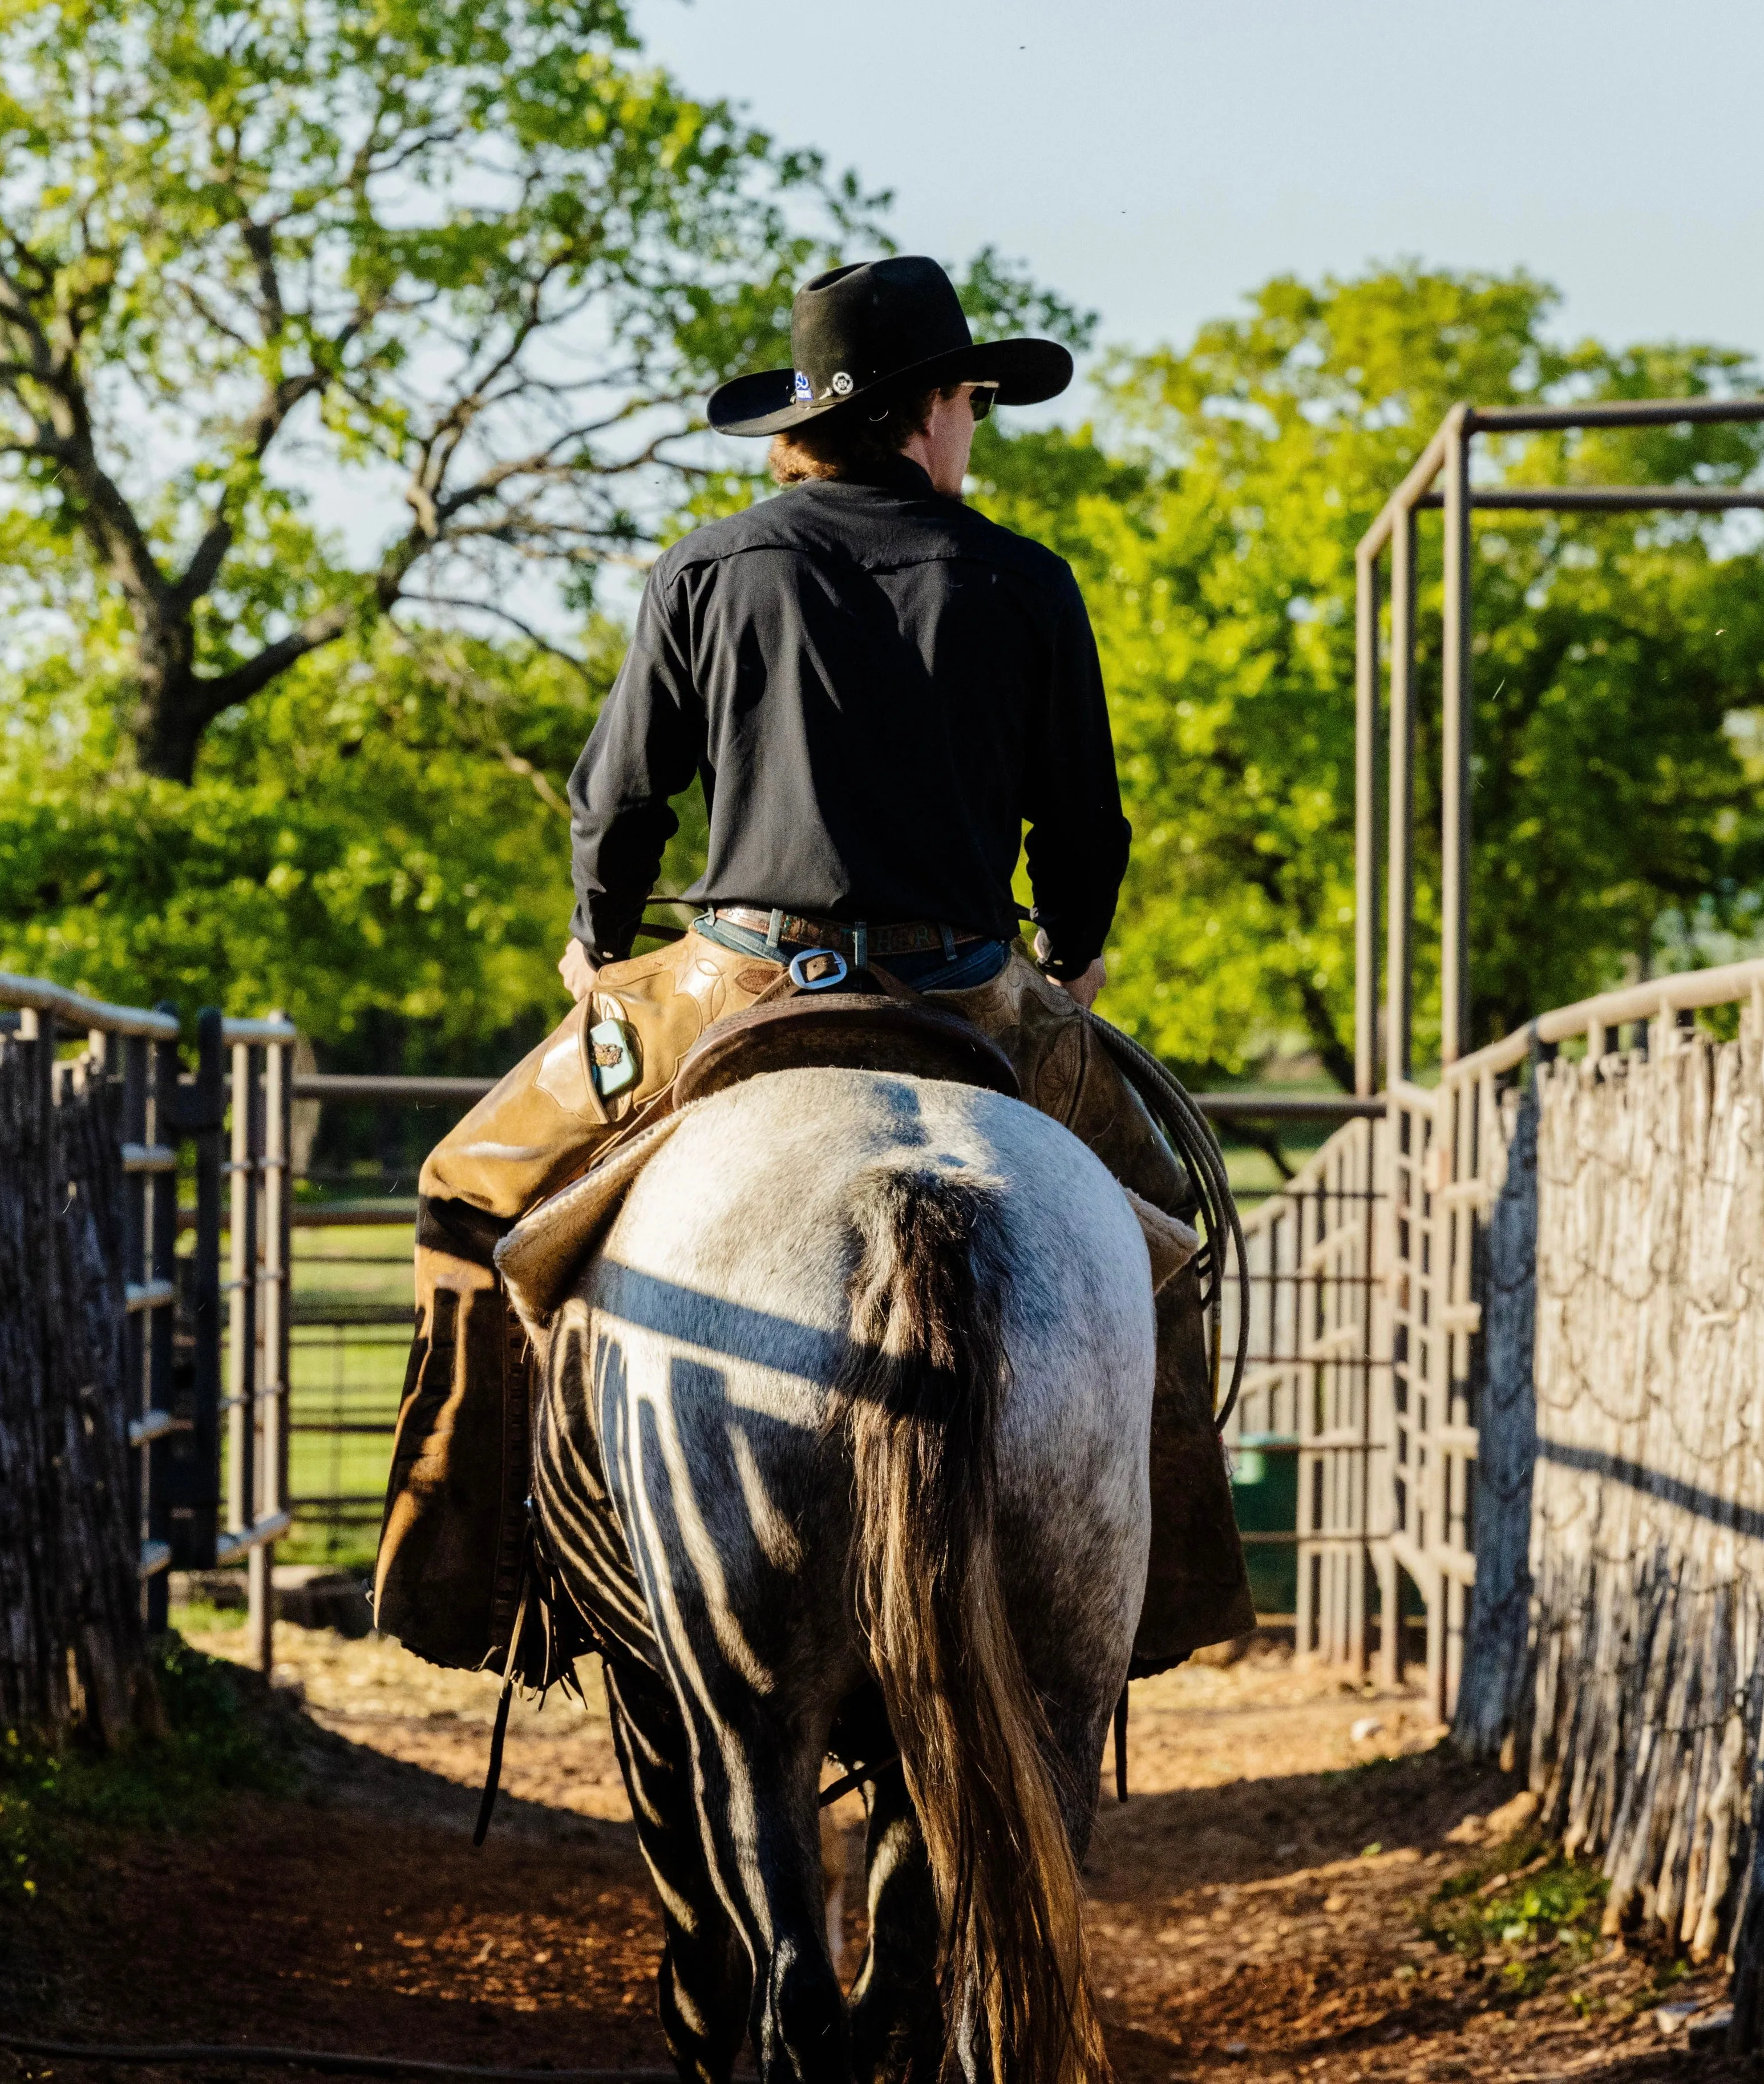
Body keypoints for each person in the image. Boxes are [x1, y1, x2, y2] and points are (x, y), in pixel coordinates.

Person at [375, 255, 1253, 1675]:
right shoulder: (1026, 580)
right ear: (928, 411)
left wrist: (601, 948)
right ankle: (1148, 1594)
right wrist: (1074, 953)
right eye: (973, 400)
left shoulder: (703, 569)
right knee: (1158, 1223)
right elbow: (1082, 819)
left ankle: (474, 1579)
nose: (975, 428)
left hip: (732, 980)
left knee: (470, 1185)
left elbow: (617, 804)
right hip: (972, 989)